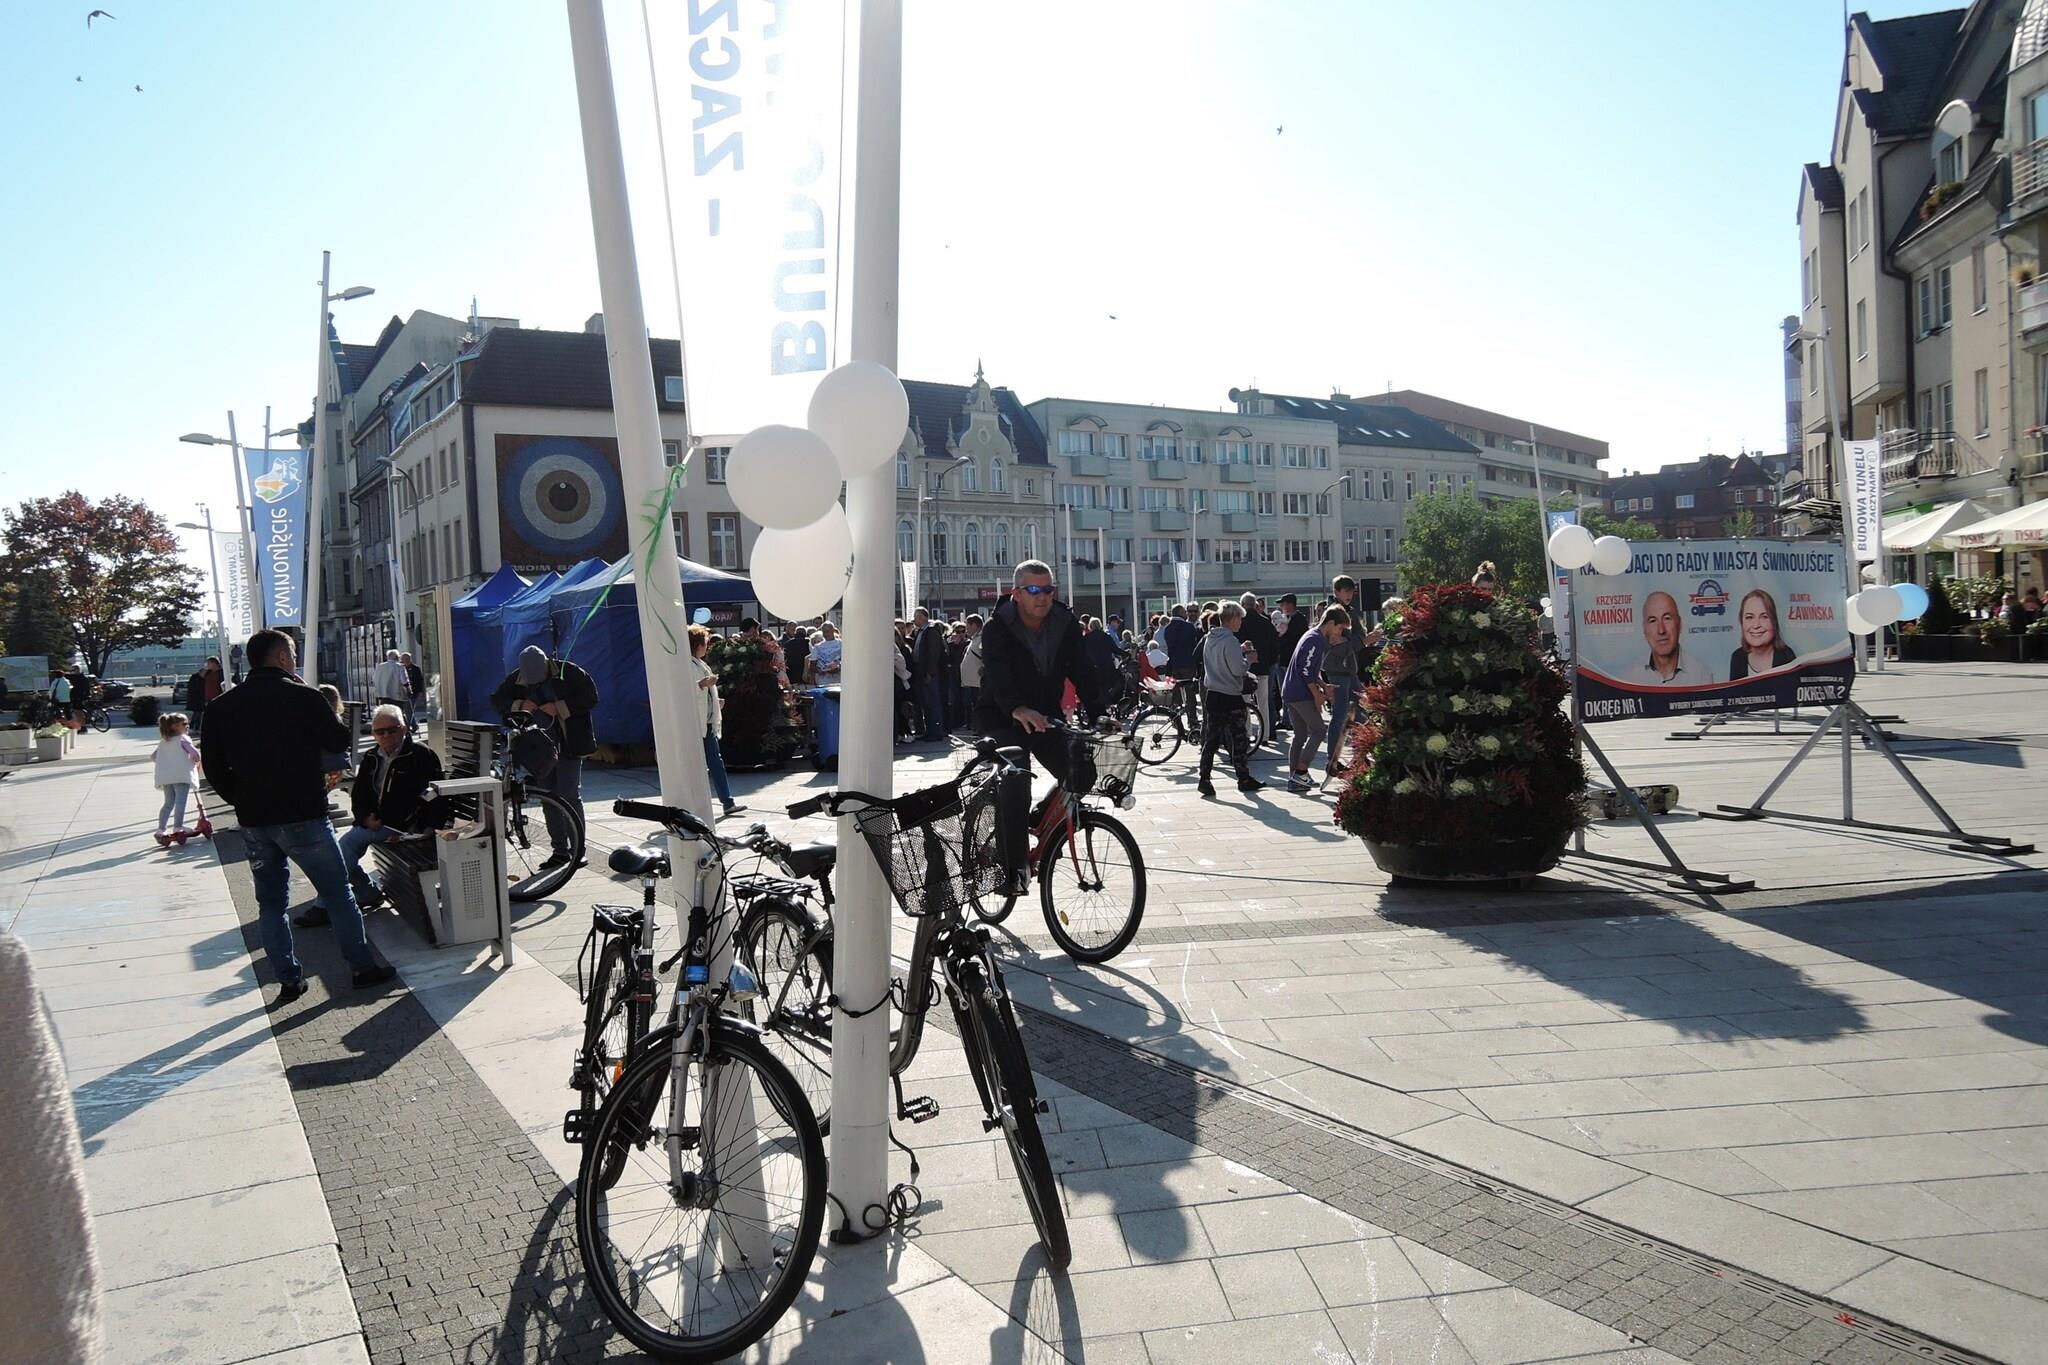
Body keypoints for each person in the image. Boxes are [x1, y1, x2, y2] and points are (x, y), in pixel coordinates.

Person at [202, 630, 394, 999]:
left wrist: (240, 798)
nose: (294, 660)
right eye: (292, 654)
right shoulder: (304, 697)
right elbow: (339, 740)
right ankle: (361, 967)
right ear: (281, 658)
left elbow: (212, 766)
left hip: (256, 819)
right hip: (304, 812)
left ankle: (289, 978)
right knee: (337, 893)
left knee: (271, 904)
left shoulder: (222, 706)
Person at [296, 704, 446, 925]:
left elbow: (433, 795)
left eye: (391, 730)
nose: (385, 736)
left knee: (346, 845)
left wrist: (422, 829)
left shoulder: (421, 755)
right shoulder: (372, 756)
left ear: (404, 728)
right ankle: (366, 893)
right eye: (379, 732)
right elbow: (360, 794)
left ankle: (325, 905)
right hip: (378, 822)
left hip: (405, 826)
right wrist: (364, 817)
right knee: (343, 849)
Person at [974, 560, 1103, 782]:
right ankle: (1008, 804)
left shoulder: (1064, 623)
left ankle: (1057, 806)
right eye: (1033, 590)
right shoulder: (997, 626)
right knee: (1016, 783)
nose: (1042, 597)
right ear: (1016, 594)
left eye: (1048, 590)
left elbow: (1081, 668)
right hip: (1002, 717)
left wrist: (1098, 712)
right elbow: (998, 673)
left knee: (1081, 776)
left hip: (1045, 716)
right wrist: (1017, 708)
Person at [490, 645, 600, 870]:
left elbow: (590, 697)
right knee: (548, 797)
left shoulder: (570, 672)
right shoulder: (516, 679)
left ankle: (578, 850)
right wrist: (520, 705)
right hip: (538, 749)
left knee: (569, 795)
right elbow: (497, 700)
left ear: (546, 665)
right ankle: (560, 851)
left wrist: (559, 707)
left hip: (568, 745)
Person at [1281, 607, 1349, 793]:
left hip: (1291, 691)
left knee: (1300, 735)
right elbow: (1305, 670)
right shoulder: (1316, 640)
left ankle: (1294, 777)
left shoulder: (1312, 635)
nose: (1339, 633)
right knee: (1319, 730)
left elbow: (1310, 669)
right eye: (1339, 628)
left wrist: (1323, 685)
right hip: (1300, 693)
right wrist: (1317, 694)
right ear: (1331, 623)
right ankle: (1301, 772)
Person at [1198, 602, 1261, 797]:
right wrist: (1249, 660)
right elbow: (1237, 669)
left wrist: (1239, 650)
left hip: (1213, 693)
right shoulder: (1231, 640)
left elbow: (1221, 657)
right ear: (1233, 619)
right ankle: (1243, 778)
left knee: (1211, 740)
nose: (1241, 622)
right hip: (1231, 696)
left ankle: (1204, 778)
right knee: (1238, 739)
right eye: (1240, 618)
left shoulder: (1210, 638)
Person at [688, 625, 745, 819]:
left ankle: (727, 802)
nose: (707, 647)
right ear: (697, 645)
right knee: (709, 763)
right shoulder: (689, 665)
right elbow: (685, 689)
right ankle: (722, 802)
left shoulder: (699, 664)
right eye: (704, 643)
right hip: (698, 723)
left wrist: (714, 701)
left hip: (707, 721)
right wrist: (702, 685)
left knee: (715, 762)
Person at [1318, 576, 1365, 784]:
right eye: (1345, 591)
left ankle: (1361, 753)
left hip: (1350, 670)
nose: (1349, 595)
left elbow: (1360, 638)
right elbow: (1332, 645)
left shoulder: (1352, 612)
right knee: (1339, 715)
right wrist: (1353, 641)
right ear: (1336, 592)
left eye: (1351, 591)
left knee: (1362, 710)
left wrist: (1350, 640)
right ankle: (1332, 760)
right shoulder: (1332, 613)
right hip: (1337, 670)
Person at [1632, 591, 1718, 684]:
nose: (1661, 630)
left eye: (1667, 618)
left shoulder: (1701, 676)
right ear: (1644, 630)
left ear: (1679, 624)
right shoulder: (1630, 677)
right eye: (1653, 621)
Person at [151, 711, 202, 846]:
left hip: (166, 776)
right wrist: (195, 760)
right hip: (181, 775)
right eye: (184, 724)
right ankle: (178, 826)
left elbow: (154, 757)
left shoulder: (163, 742)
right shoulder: (183, 739)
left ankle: (161, 829)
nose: (187, 726)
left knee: (168, 803)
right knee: (180, 802)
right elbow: (195, 754)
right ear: (174, 726)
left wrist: (168, 763)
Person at [1237, 592, 1280, 745]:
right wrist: (1269, 662)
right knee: (1263, 703)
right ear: (1255, 605)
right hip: (1263, 668)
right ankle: (1265, 735)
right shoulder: (1266, 622)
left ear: (1242, 605)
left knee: (1245, 703)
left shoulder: (1239, 622)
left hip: (1245, 669)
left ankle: (1247, 733)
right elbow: (1275, 645)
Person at [1728, 589, 1796, 680]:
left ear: (1774, 622)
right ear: (1741, 622)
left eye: (1764, 617)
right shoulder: (1737, 657)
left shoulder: (1787, 656)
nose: (1756, 625)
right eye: (1749, 617)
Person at [910, 606, 948, 741]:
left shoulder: (931, 631)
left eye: (916, 617)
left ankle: (935, 732)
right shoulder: (920, 631)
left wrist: (930, 673)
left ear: (922, 617)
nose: (914, 620)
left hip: (929, 673)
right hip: (920, 671)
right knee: (926, 703)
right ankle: (929, 730)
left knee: (932, 702)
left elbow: (933, 654)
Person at [1273, 593, 1308, 732]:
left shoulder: (1299, 620)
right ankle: (1286, 720)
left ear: (1290, 604)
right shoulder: (1285, 619)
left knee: (1291, 691)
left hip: (1292, 660)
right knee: (1284, 692)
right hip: (1281, 659)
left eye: (1283, 604)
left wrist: (1280, 637)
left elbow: (1294, 639)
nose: (1281, 607)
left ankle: (1293, 720)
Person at [1081, 615, 1122, 704]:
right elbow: (1115, 649)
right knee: (1107, 687)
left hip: (1092, 667)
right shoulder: (1106, 637)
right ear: (1100, 625)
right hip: (1107, 666)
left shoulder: (1086, 638)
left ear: (1090, 626)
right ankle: (1107, 703)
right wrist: (1126, 654)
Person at [372, 648, 410, 726]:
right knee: (399, 714)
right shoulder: (400, 667)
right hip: (397, 696)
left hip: (383, 695)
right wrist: (408, 690)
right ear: (397, 657)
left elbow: (374, 679)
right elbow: (404, 681)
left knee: (385, 714)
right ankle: (404, 729)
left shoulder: (380, 666)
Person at [959, 614, 984, 727]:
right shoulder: (975, 639)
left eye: (967, 626)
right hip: (973, 681)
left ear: (974, 625)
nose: (966, 629)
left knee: (978, 704)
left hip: (978, 681)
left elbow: (986, 655)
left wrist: (983, 668)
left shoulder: (982, 638)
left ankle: (980, 727)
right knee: (974, 704)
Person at [807, 620, 843, 685]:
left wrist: (838, 667)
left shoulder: (842, 644)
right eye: (824, 632)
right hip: (823, 682)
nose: (826, 634)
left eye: (828, 631)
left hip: (839, 680)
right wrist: (820, 670)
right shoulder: (817, 647)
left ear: (833, 630)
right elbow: (812, 666)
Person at [780, 621, 812, 691]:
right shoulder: (809, 642)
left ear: (796, 633)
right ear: (805, 633)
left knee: (795, 691)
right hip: (805, 671)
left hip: (792, 672)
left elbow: (785, 657)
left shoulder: (788, 643)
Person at [401, 652, 426, 728]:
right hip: (403, 693)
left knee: (410, 709)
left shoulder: (416, 668)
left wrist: (420, 691)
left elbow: (420, 680)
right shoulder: (400, 668)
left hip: (414, 692)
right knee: (408, 710)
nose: (407, 660)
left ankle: (411, 725)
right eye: (405, 659)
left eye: (408, 659)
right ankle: (413, 725)